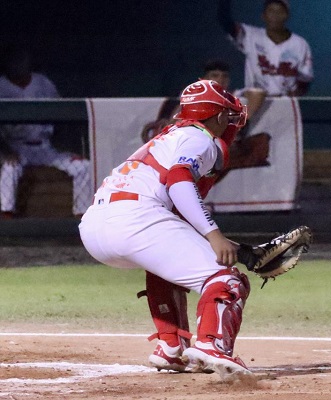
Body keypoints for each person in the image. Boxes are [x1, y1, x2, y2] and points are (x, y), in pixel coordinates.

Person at [79, 80, 255, 380]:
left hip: (95, 225)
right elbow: (179, 181)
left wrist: (238, 247)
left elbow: (175, 221)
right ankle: (213, 345)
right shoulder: (200, 138)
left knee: (167, 268)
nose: (230, 120)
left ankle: (171, 346)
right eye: (226, 112)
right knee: (227, 280)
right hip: (136, 219)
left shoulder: (170, 137)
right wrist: (214, 236)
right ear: (216, 115)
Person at [0, 46, 92, 218]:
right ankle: (6, 215)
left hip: (45, 147)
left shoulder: (42, 82)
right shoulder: (2, 86)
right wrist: (5, 151)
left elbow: (61, 114)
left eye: (22, 59)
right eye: (14, 60)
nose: (18, 64)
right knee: (9, 168)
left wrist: (64, 147)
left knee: (83, 166)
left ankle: (82, 215)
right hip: (16, 146)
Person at [217, 0, 314, 97]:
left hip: (285, 102)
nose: (275, 15)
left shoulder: (300, 44)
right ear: (263, 16)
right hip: (256, 101)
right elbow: (224, 20)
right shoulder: (251, 36)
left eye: (280, 11)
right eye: (271, 11)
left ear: (287, 16)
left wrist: (294, 94)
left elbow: (305, 79)